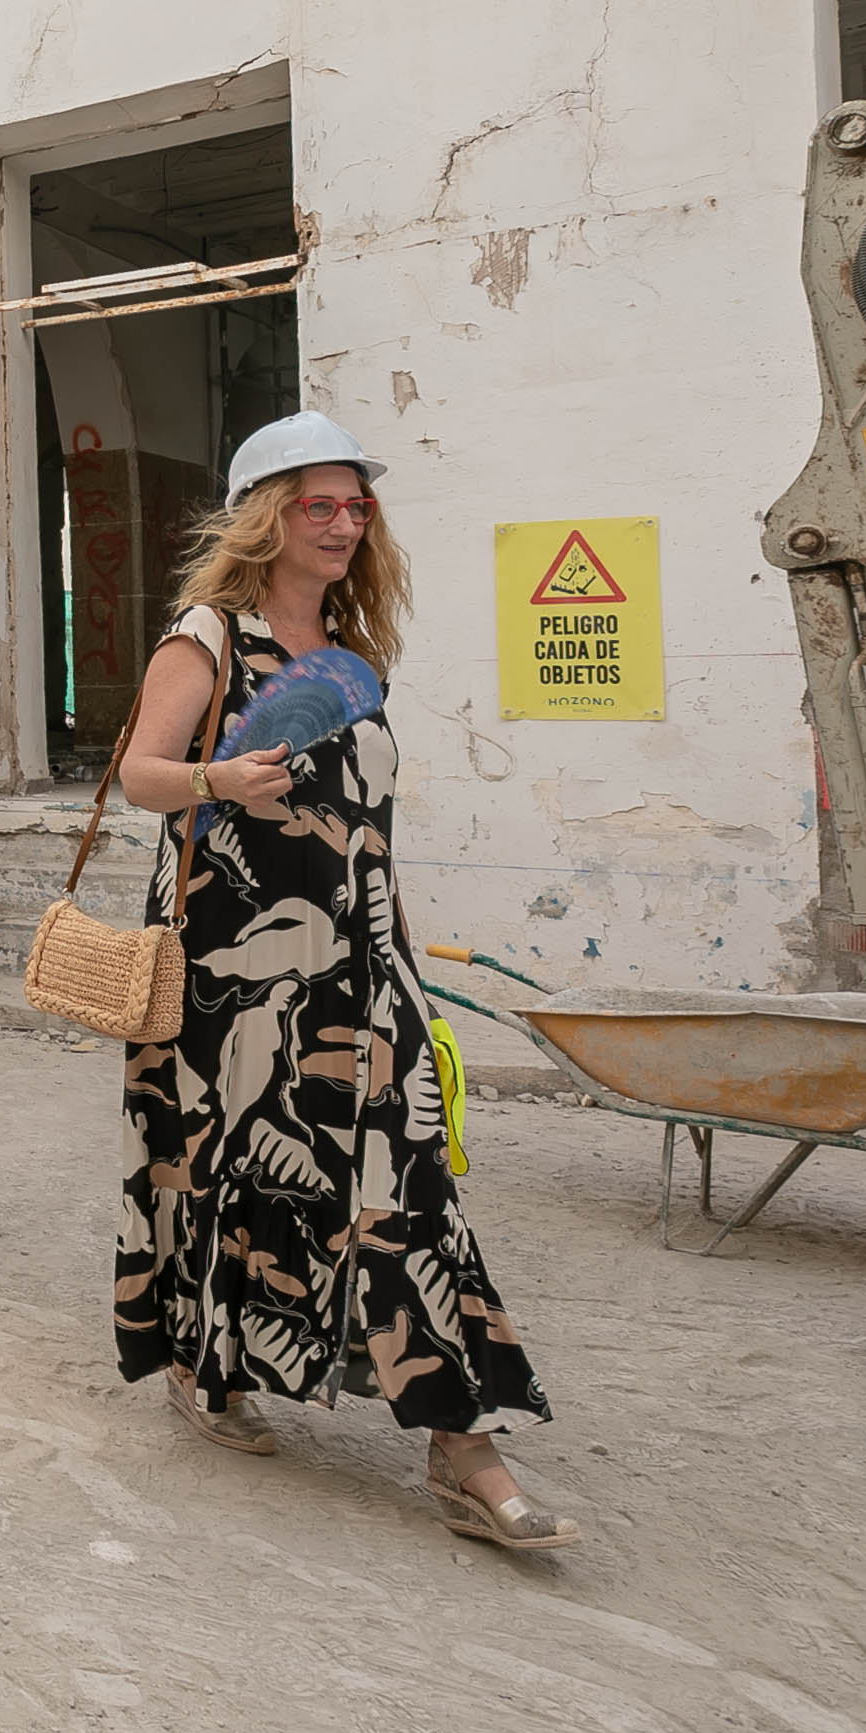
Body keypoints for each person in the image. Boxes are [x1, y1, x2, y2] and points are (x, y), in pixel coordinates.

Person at [112, 410, 577, 1550]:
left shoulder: (353, 653)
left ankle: (462, 1443)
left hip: (362, 968)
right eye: (317, 502)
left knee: (404, 1184)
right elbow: (139, 774)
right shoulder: (208, 635)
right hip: (233, 972)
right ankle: (201, 1362)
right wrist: (217, 775)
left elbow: (366, 826)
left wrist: (402, 957)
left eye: (356, 503)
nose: (342, 520)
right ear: (267, 514)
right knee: (224, 1168)